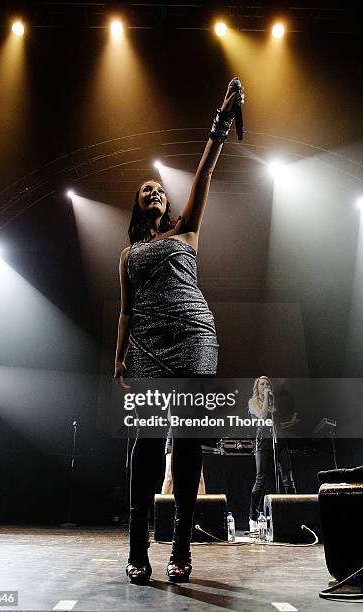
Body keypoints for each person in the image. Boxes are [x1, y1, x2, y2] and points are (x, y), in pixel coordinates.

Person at [114, 77, 244, 584]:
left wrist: (221, 120)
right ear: (137, 205)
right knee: (146, 444)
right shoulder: (127, 254)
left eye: (158, 189)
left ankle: (183, 547)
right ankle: (138, 545)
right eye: (145, 190)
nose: (153, 191)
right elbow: (126, 312)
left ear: (168, 202)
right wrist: (120, 356)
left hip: (193, 338)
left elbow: (205, 170)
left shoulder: (187, 229)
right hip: (147, 346)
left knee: (187, 443)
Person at [248, 376, 298, 533]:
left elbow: (275, 423)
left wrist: (290, 423)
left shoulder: (273, 403)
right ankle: (252, 518)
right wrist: (265, 401)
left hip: (279, 439)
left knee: (288, 478)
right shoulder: (253, 402)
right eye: (261, 384)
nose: (265, 385)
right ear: (257, 387)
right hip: (263, 440)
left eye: (267, 383)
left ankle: (294, 513)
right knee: (260, 479)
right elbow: (262, 417)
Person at [161, 429, 206, 495]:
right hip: (174, 438)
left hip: (192, 439)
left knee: (199, 478)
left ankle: (202, 505)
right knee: (169, 477)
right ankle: (162, 505)